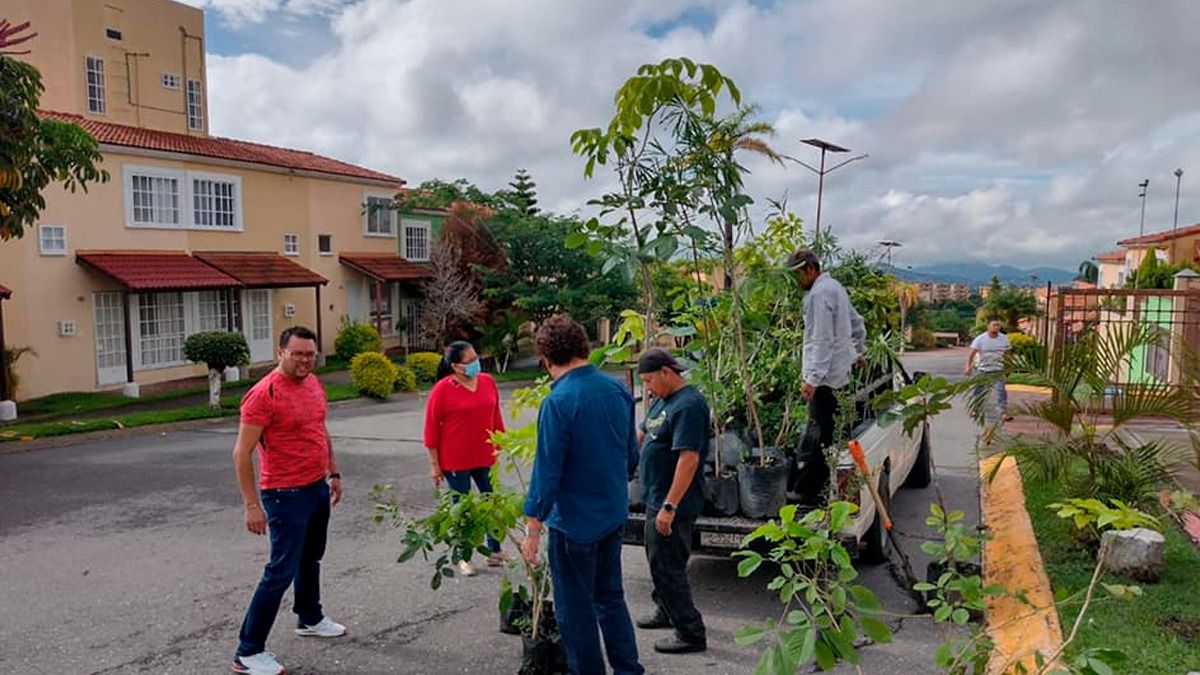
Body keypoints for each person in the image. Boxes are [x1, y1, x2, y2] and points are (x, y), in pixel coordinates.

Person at [521, 315, 643, 675]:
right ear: (583, 346)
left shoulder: (558, 402)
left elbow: (547, 472)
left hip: (573, 524)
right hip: (611, 513)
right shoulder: (618, 389)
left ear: (546, 359)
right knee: (610, 598)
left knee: (575, 612)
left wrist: (532, 529)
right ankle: (629, 670)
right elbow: (629, 457)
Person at [231, 326, 346, 675]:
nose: (304, 360)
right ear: (280, 352)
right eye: (297, 353)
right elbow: (241, 453)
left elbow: (319, 428)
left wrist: (334, 472)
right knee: (279, 571)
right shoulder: (263, 394)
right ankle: (248, 651)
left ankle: (309, 617)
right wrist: (252, 505)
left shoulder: (312, 382)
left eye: (309, 354)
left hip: (315, 487)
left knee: (311, 558)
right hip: (283, 494)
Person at [634, 348, 710, 655]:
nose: (648, 387)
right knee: (658, 560)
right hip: (655, 495)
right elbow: (643, 435)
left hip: (674, 500)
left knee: (668, 567)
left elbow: (688, 459)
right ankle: (665, 609)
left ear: (667, 372)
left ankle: (690, 631)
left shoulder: (689, 405)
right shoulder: (663, 402)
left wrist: (669, 506)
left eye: (650, 380)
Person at [787, 249, 867, 505]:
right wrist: (859, 350)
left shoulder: (819, 295)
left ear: (810, 268)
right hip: (840, 375)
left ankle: (807, 491)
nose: (797, 282)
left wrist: (812, 378)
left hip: (825, 379)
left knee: (819, 435)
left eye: (798, 275)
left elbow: (820, 339)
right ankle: (821, 487)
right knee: (831, 433)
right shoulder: (835, 287)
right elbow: (857, 322)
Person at [424, 340, 507, 576]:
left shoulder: (488, 382)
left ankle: (495, 551)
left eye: (475, 358)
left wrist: (501, 443)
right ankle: (464, 555)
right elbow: (431, 429)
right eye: (469, 361)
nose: (475, 364)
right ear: (456, 366)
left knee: (492, 503)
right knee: (462, 509)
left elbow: (495, 413)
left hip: (485, 455)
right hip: (455, 459)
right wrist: (434, 464)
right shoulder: (443, 389)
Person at [965, 320, 1012, 420]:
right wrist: (968, 366)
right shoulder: (981, 339)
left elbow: (1007, 353)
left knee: (1001, 390)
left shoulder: (1004, 338)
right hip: (983, 369)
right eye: (994, 325)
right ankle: (976, 409)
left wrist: (1009, 366)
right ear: (988, 327)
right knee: (979, 390)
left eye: (998, 325)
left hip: (998, 369)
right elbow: (972, 353)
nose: (996, 327)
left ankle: (1002, 412)